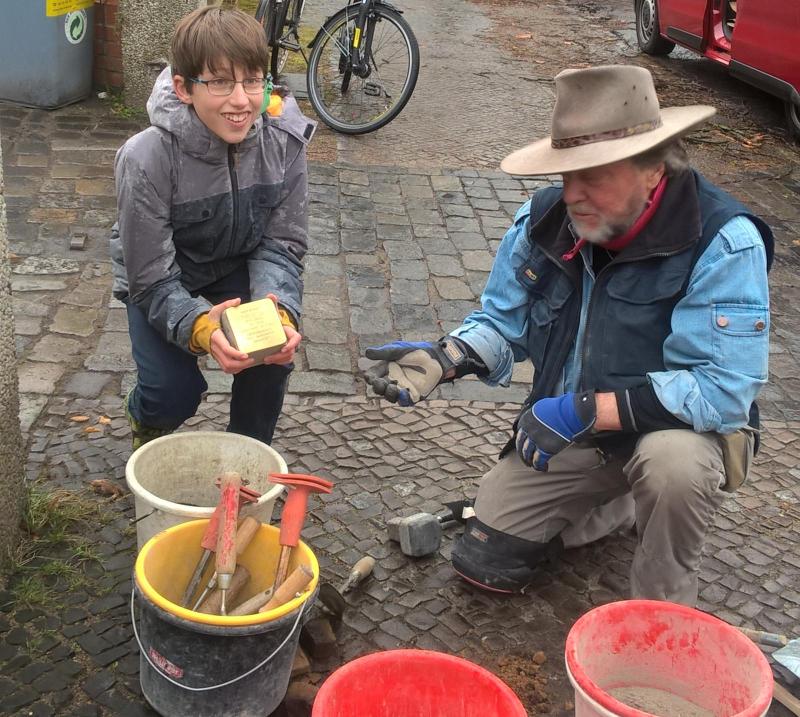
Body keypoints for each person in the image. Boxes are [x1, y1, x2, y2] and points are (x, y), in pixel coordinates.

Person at [363, 65, 773, 606]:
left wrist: (589, 409)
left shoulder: (722, 241)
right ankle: (614, 502)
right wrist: (448, 357)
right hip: (579, 433)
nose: (573, 194)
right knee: (487, 558)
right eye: (565, 175)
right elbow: (503, 326)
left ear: (654, 168)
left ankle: (663, 610)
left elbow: (722, 391)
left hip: (676, 434)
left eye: (594, 175)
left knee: (672, 466)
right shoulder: (541, 221)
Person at [110, 7, 315, 450]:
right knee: (172, 393)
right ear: (183, 87)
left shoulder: (286, 140)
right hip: (164, 273)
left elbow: (282, 243)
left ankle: (245, 459)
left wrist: (277, 313)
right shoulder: (143, 158)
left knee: (270, 357)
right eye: (220, 82)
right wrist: (201, 328)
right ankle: (146, 417)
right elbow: (148, 276)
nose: (241, 101)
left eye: (252, 80)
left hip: (238, 262)